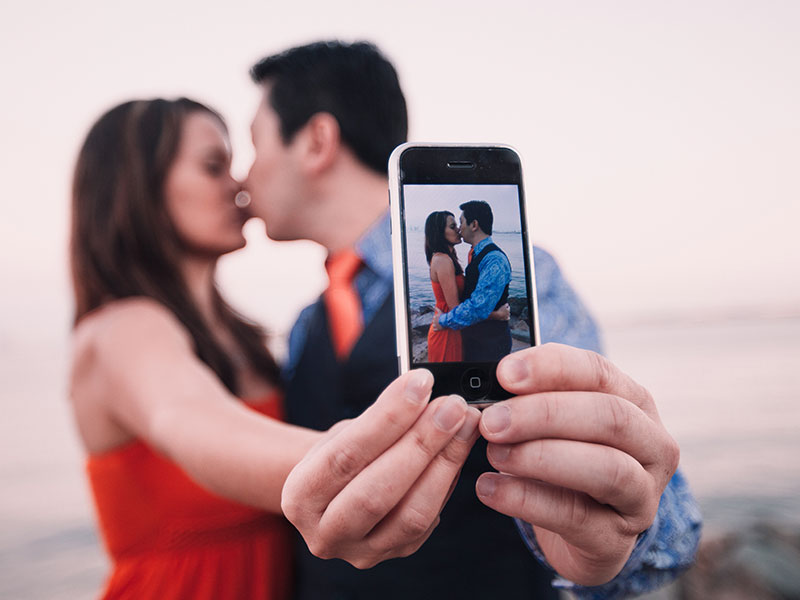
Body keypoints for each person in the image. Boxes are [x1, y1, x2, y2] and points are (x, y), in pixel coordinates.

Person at [246, 40, 701, 599]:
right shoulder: (305, 324)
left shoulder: (529, 278)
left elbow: (665, 530)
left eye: (254, 144)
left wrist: (606, 548)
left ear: (317, 141)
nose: (245, 176)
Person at [68, 98, 483, 599]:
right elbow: (189, 418)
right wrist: (363, 461)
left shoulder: (251, 336)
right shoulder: (123, 328)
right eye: (213, 166)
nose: (239, 185)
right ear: (137, 187)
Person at [433, 200, 514, 361]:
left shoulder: (493, 260)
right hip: (476, 341)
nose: (459, 228)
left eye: (461, 222)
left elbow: (477, 307)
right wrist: (497, 314)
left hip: (490, 346)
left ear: (474, 225)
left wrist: (443, 321)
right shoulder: (477, 254)